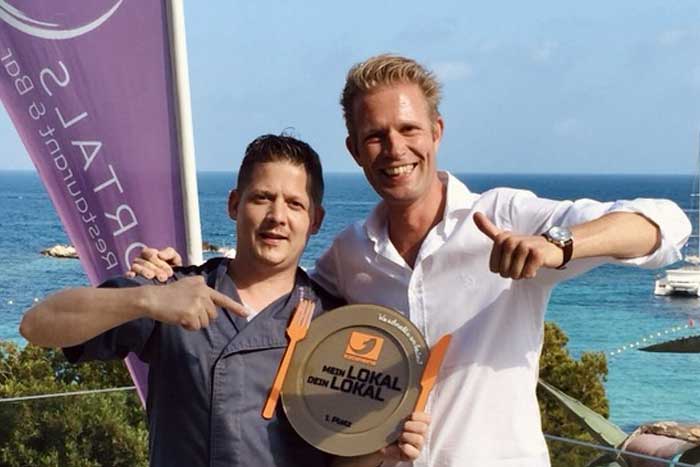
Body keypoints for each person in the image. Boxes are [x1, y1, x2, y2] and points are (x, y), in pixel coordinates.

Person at [129, 56, 691, 467]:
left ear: (436, 132)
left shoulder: (508, 215)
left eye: (408, 129)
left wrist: (557, 245)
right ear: (354, 150)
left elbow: (665, 224)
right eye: (375, 136)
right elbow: (272, 288)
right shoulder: (349, 254)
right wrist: (172, 275)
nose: (395, 149)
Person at [20, 134, 429, 467]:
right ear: (235, 204)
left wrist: (380, 449)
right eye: (262, 198)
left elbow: (338, 459)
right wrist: (145, 299)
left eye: (295, 204)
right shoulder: (174, 292)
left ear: (315, 221)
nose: (277, 216)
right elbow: (37, 325)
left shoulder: (333, 325)